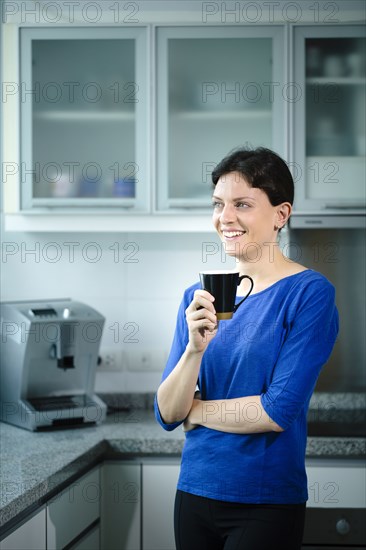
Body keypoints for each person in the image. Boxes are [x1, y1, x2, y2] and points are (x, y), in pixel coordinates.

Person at [154, 146, 339, 550]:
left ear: (281, 214)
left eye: (242, 204)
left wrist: (198, 411)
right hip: (195, 490)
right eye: (219, 204)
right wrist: (194, 351)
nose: (225, 218)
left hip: (265, 500)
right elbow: (168, 413)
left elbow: (276, 410)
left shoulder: (309, 294)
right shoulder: (197, 296)